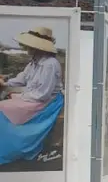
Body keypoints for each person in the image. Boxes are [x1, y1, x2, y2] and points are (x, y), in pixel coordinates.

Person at [0, 25, 66, 165]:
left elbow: (43, 94)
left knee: (3, 108)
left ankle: (14, 148)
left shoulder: (50, 64)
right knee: (6, 103)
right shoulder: (34, 62)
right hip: (34, 97)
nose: (26, 48)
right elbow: (22, 79)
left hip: (47, 102)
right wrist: (6, 82)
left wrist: (19, 98)